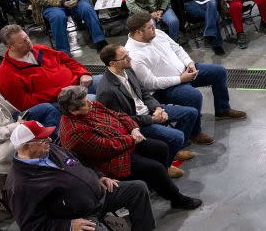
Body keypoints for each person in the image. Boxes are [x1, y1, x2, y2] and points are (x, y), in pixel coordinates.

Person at [57, 86, 203, 209]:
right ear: (73, 111)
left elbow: (120, 116)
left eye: (87, 100)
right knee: (155, 168)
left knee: (161, 147)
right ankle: (176, 199)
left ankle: (158, 185)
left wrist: (134, 129)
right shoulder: (75, 132)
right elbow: (108, 147)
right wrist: (131, 138)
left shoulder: (92, 106)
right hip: (109, 160)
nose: (89, 103)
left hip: (127, 141)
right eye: (84, 103)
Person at [6, 120, 157, 231]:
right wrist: (67, 226)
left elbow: (79, 162)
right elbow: (31, 226)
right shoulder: (19, 184)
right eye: (43, 139)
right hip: (80, 216)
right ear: (26, 146)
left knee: (138, 189)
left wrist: (99, 176)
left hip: (100, 194)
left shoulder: (50, 149)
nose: (50, 140)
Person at [96, 43, 203, 176]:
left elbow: (144, 93)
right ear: (113, 63)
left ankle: (174, 151)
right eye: (125, 57)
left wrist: (157, 108)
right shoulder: (107, 91)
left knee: (191, 113)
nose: (130, 59)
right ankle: (165, 167)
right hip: (137, 123)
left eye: (128, 55)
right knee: (178, 136)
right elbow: (122, 121)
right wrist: (152, 119)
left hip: (148, 111)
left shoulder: (127, 69)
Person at [127, 11, 246, 123]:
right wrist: (180, 79)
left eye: (153, 25)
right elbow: (151, 83)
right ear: (138, 32)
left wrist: (190, 63)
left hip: (185, 71)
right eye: (150, 27)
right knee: (194, 96)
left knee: (219, 72)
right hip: (166, 88)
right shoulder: (134, 55)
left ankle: (222, 110)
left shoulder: (157, 34)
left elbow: (177, 49)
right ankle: (195, 133)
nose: (154, 29)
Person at [0, 69, 61, 178]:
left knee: (48, 108)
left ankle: (55, 147)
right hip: (1, 145)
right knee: (40, 126)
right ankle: (53, 151)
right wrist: (18, 125)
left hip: (11, 122)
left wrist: (20, 119)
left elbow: (9, 110)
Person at [0, 24, 92, 112]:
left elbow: (66, 60)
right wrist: (61, 92)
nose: (28, 42)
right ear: (10, 47)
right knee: (97, 100)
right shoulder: (7, 76)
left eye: (27, 37)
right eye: (22, 42)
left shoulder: (39, 49)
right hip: (60, 101)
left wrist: (83, 73)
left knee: (104, 82)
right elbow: (25, 104)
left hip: (79, 82)